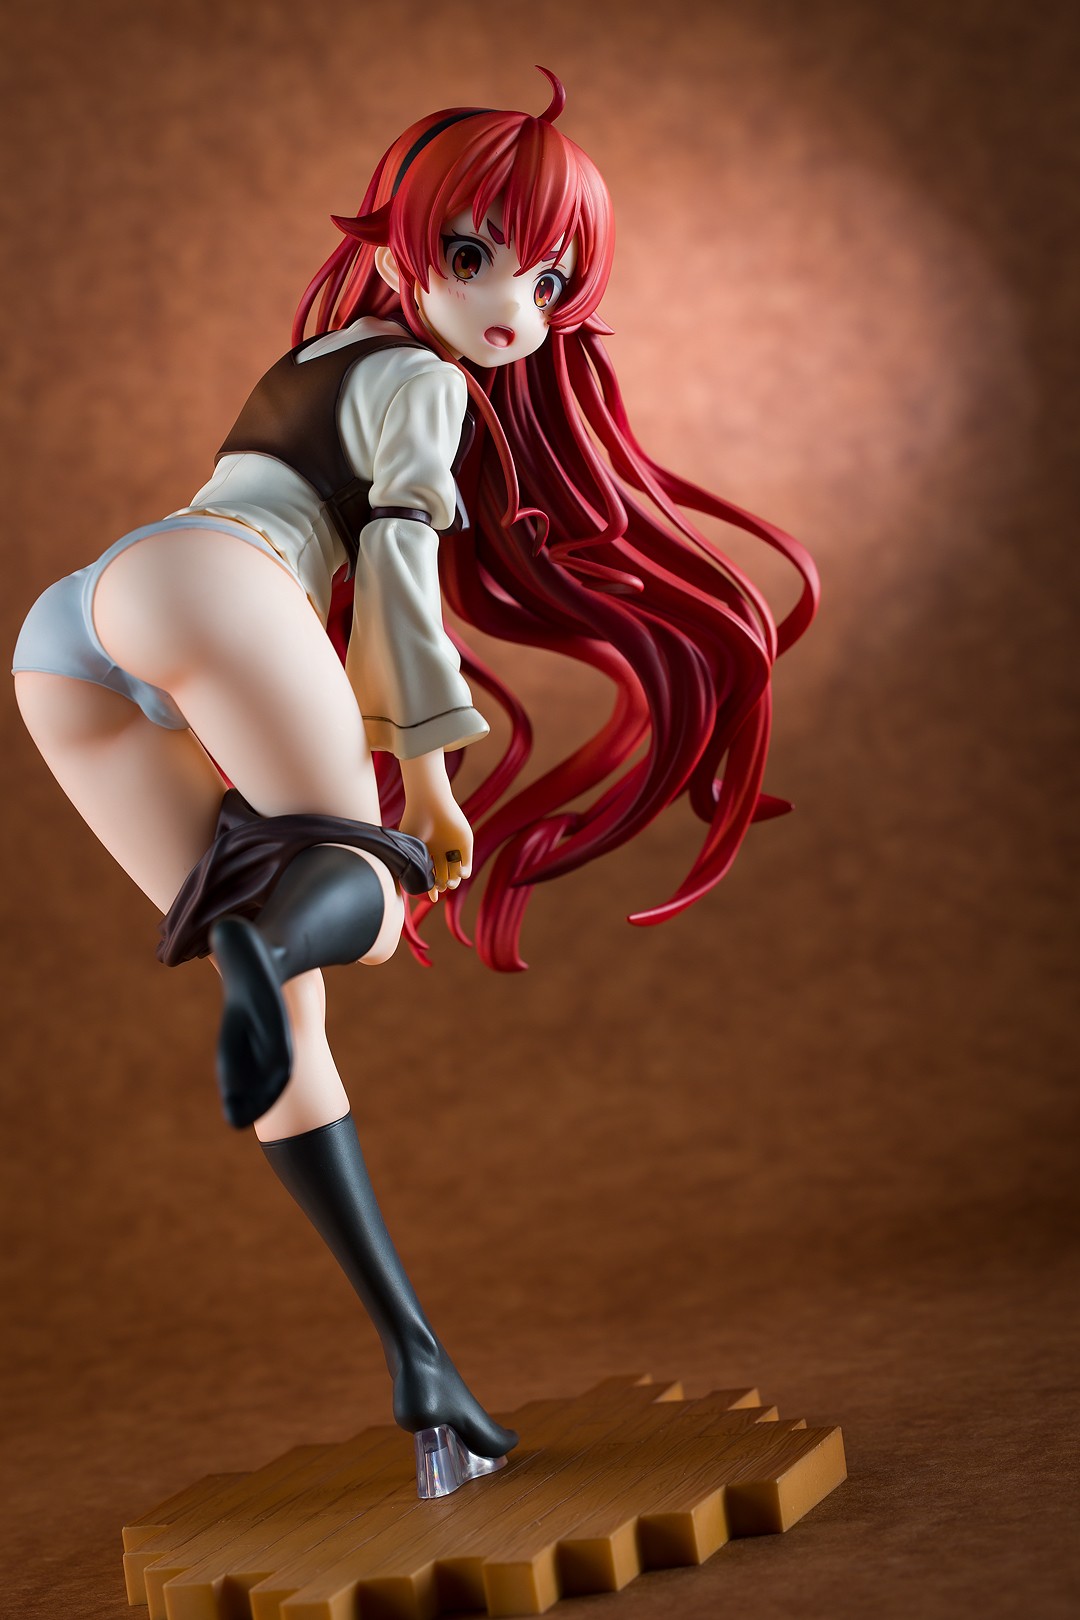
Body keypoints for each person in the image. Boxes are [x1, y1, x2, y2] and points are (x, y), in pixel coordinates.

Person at [11, 69, 818, 1495]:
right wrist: (426, 788)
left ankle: (421, 1370)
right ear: (406, 247)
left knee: (292, 1040)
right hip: (213, 585)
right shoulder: (428, 384)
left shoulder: (331, 351)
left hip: (68, 635)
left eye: (548, 278)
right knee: (371, 907)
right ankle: (275, 938)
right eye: (473, 254)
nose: (512, 302)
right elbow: (397, 579)